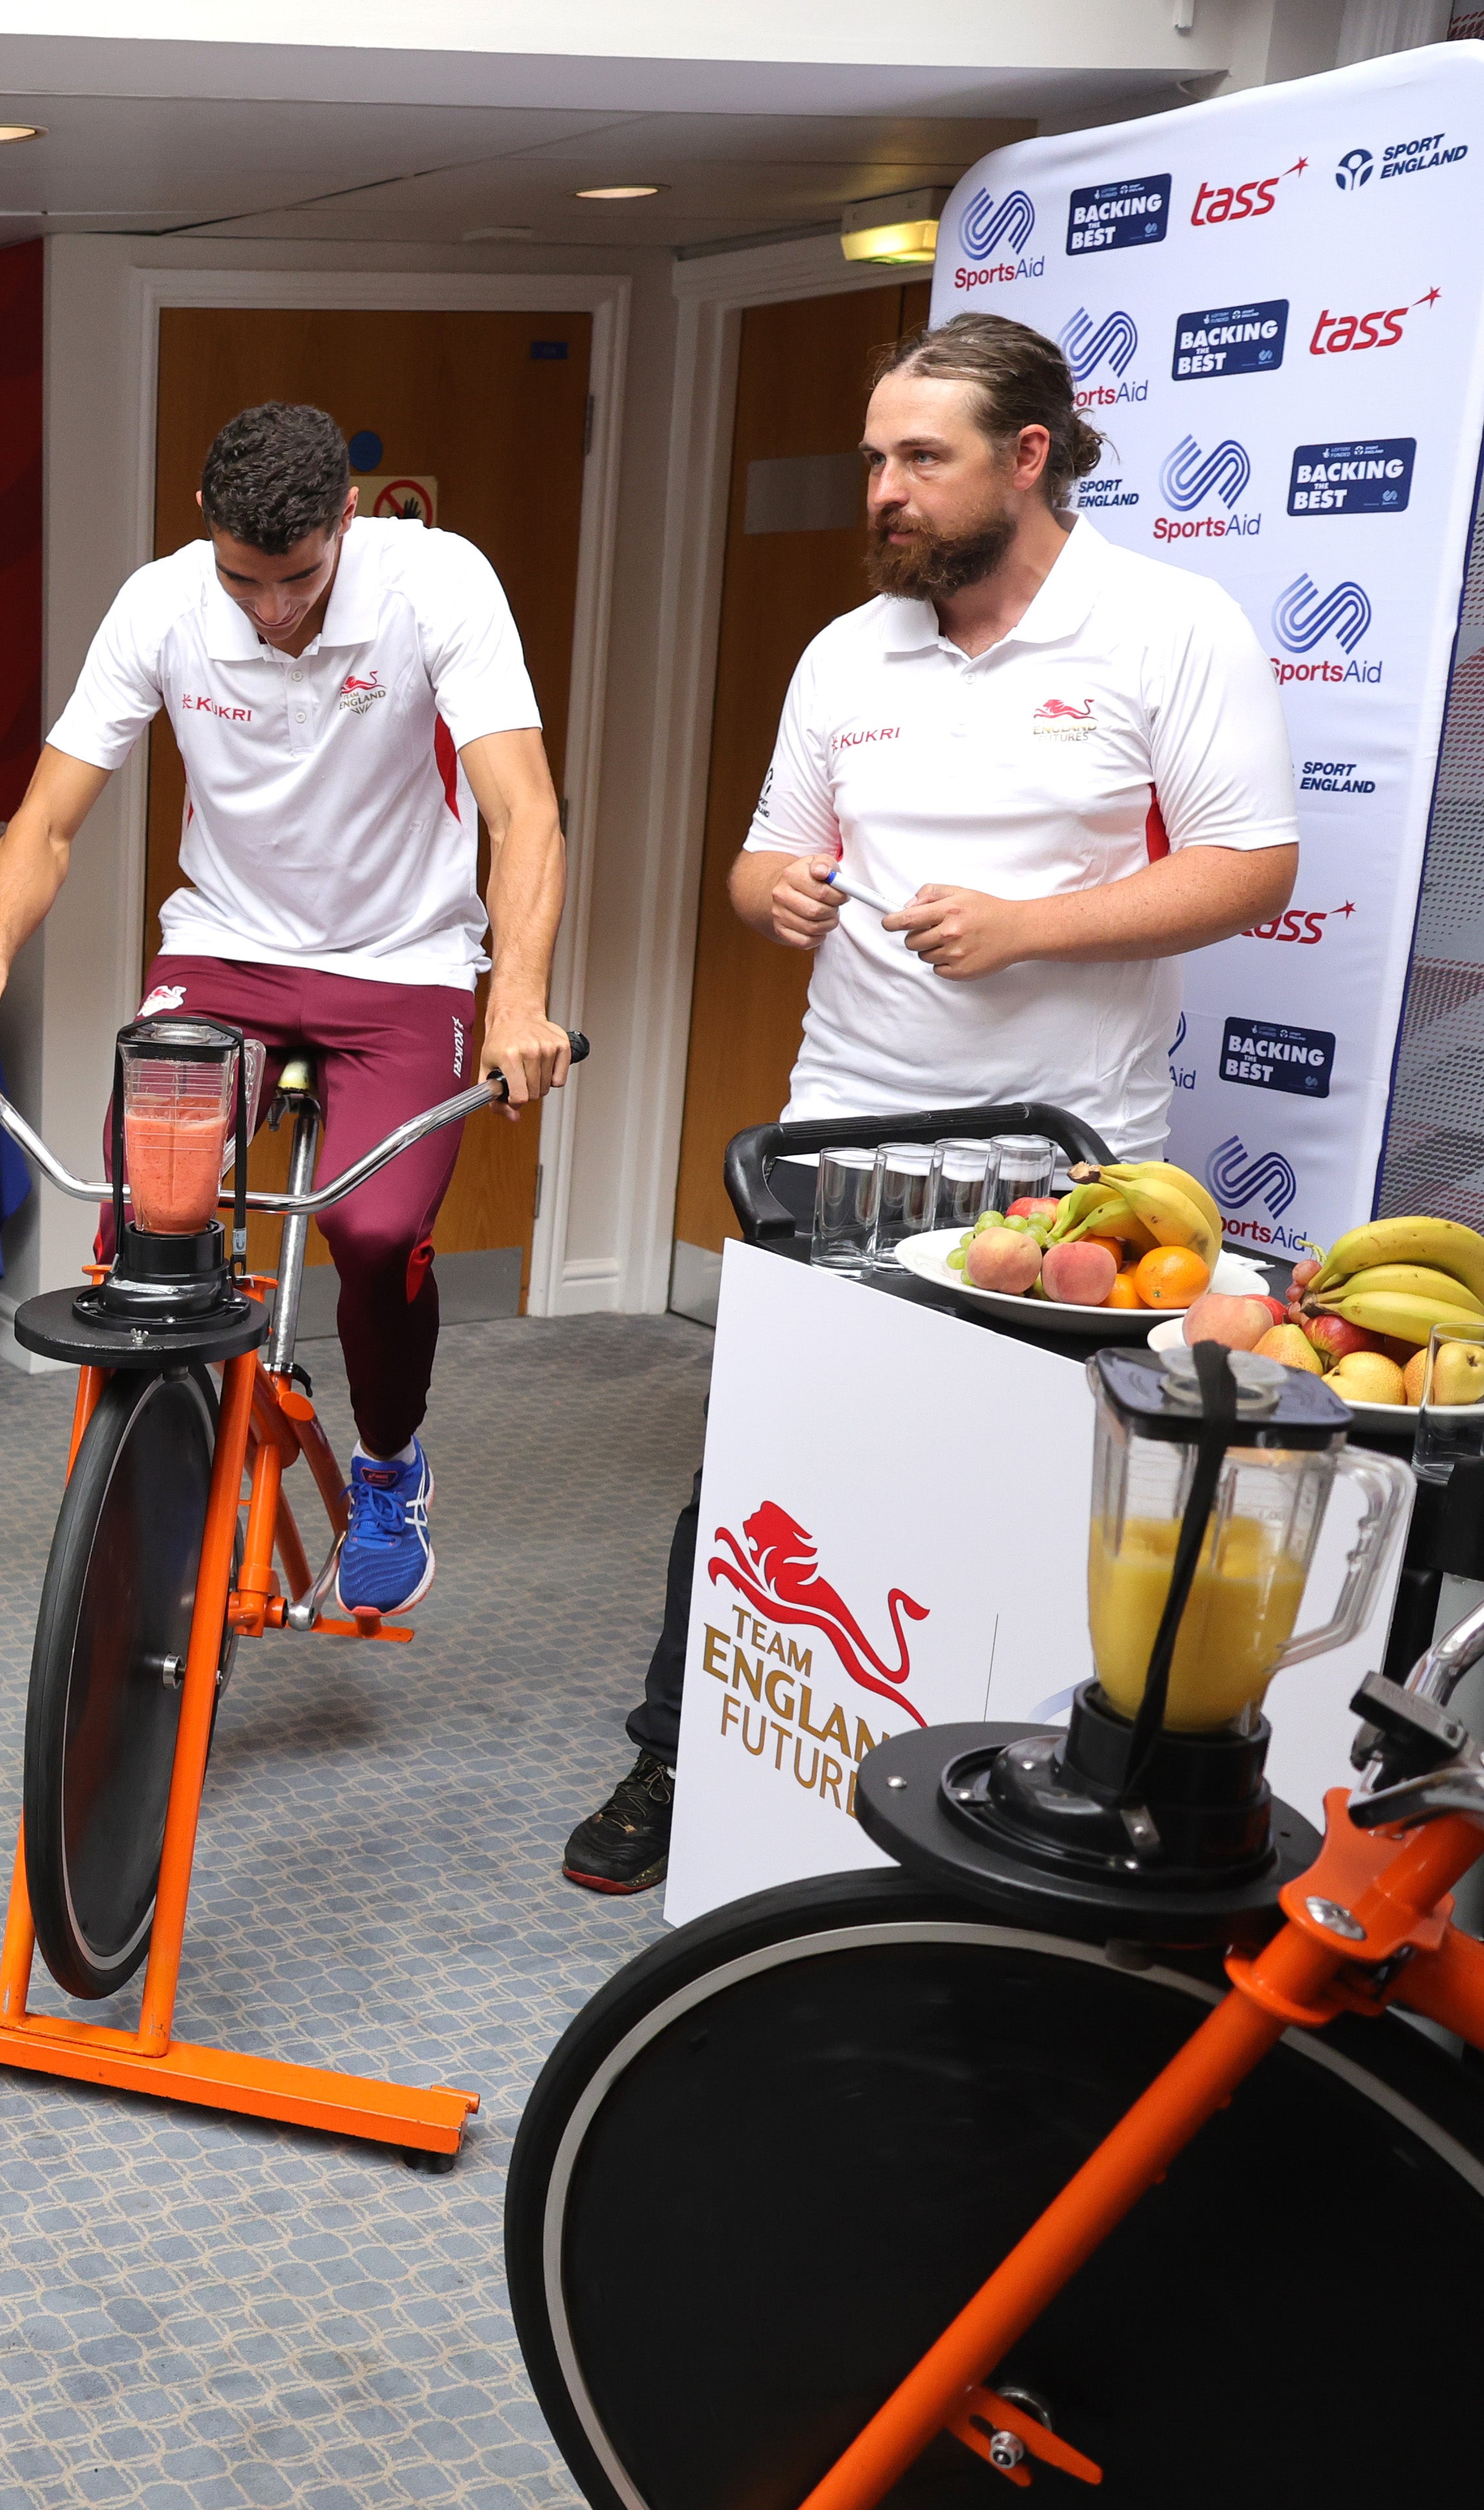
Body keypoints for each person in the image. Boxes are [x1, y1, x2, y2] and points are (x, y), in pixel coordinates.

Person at [559, 312, 1299, 1893]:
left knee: (1025, 1499)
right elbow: (757, 852)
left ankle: (991, 1810)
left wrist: (1029, 924)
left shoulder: (1166, 626)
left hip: (1065, 1174)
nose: (882, 489)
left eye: (918, 458)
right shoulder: (847, 649)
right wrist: (778, 894)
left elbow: (1248, 864)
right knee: (762, 1470)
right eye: (873, 459)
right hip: (837, 1144)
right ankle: (675, 1754)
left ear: (1025, 458)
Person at [0, 399, 576, 1618]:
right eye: (243, 580)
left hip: (405, 961)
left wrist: (515, 1000)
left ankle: (386, 1463)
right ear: (203, 533)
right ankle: (170, 1443)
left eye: (298, 578)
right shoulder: (161, 603)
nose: (270, 609)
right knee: (144, 1200)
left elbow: (522, 811)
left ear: (349, 521)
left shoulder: (435, 584)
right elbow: (48, 818)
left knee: (374, 1235)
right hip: (223, 947)